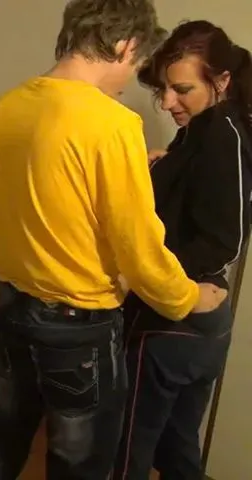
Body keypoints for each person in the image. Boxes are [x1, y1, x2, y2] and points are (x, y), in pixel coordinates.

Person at [0, 0, 229, 478]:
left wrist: (123, 168)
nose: (129, 79)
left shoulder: (4, 108)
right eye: (135, 62)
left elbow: (23, 197)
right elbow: (139, 248)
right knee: (79, 463)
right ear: (125, 45)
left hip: (12, 306)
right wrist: (190, 298)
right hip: (76, 328)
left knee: (2, 437)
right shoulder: (112, 123)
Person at [113, 20, 252, 480]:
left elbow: (223, 243)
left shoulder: (222, 136)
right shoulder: (198, 133)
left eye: (183, 90)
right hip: (185, 324)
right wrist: (157, 168)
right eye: (165, 90)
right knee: (176, 452)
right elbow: (188, 208)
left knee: (127, 452)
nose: (169, 102)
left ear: (222, 81)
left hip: (175, 324)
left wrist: (146, 277)